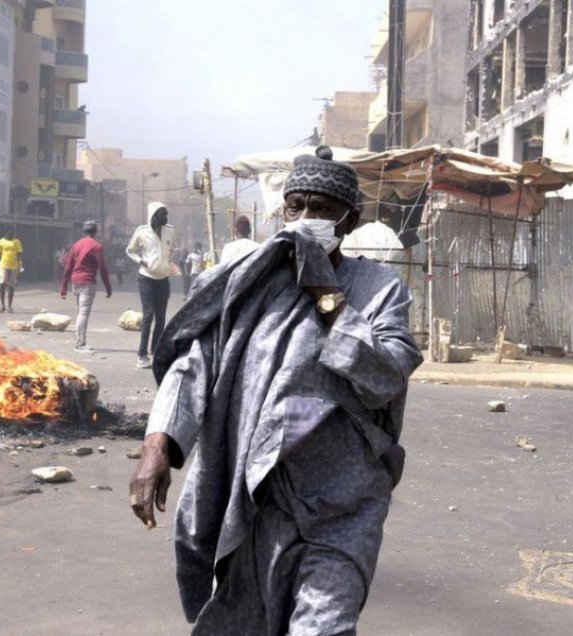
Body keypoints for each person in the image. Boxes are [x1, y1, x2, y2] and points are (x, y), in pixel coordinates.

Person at [129, 146, 423, 634]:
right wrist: (158, 446)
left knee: (323, 627)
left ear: (349, 221)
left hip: (340, 504)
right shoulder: (246, 284)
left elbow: (385, 376)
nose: (305, 219)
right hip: (252, 497)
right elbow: (192, 366)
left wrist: (323, 294)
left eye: (322, 210)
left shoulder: (379, 290)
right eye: (296, 206)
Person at [125, 201, 174, 369]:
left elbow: (170, 250)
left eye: (165, 214)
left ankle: (155, 350)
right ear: (153, 217)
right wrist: (141, 260)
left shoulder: (171, 231)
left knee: (161, 318)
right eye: (161, 214)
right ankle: (142, 354)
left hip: (163, 279)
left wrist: (168, 264)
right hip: (146, 278)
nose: (165, 217)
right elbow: (129, 250)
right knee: (148, 316)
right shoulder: (142, 232)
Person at [60, 220, 112, 353]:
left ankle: (79, 341)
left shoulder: (76, 245)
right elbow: (102, 268)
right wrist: (108, 287)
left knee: (80, 312)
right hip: (87, 282)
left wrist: (64, 287)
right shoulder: (96, 246)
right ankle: (80, 343)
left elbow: (68, 267)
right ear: (96, 232)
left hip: (75, 282)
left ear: (84, 231)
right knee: (83, 312)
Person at [0, 230, 23, 313]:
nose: (12, 235)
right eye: (11, 233)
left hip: (14, 266)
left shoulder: (17, 242)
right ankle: (2, 305)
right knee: (2, 283)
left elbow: (19, 255)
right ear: (6, 233)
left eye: (13, 233)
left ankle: (9, 306)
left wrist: (21, 267)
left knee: (11, 286)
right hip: (3, 265)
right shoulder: (0, 242)